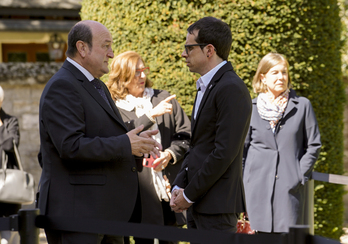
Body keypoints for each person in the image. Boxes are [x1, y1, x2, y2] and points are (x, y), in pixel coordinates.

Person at [38, 20, 162, 244]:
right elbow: (70, 146)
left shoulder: (97, 85)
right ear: (83, 48)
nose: (112, 53)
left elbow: (105, 134)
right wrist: (126, 144)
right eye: (106, 46)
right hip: (78, 214)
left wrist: (135, 141)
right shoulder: (63, 86)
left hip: (104, 213)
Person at [169, 16, 252, 234]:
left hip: (217, 208)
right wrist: (179, 185)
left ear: (209, 50)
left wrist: (188, 195)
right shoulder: (208, 85)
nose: (183, 53)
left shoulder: (231, 88)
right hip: (200, 203)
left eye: (189, 48)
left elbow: (224, 153)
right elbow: (198, 146)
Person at [106, 51, 191, 244]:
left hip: (166, 186)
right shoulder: (112, 108)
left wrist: (169, 154)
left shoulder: (164, 98)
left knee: (170, 238)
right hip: (134, 192)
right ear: (122, 76)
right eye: (136, 72)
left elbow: (186, 134)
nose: (143, 76)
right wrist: (151, 115)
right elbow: (119, 137)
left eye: (144, 70)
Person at [242, 52, 321, 233]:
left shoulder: (302, 106)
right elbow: (243, 152)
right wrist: (243, 185)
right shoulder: (250, 108)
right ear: (263, 77)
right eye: (275, 72)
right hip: (255, 190)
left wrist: (299, 174)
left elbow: (314, 145)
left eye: (284, 72)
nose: (281, 77)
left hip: (289, 191)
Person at [0, 86, 20, 244]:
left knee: (8, 237)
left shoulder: (10, 121)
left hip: (7, 187)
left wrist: (0, 125)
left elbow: (9, 145)